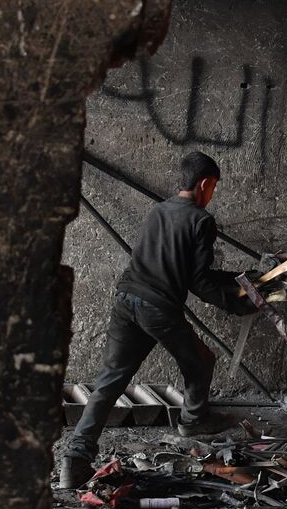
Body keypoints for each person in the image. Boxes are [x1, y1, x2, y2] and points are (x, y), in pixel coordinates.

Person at [59, 152, 251, 489]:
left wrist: (242, 279)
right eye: (214, 188)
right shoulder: (201, 220)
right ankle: (192, 419)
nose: (212, 194)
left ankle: (75, 460)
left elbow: (192, 272)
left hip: (126, 299)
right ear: (205, 184)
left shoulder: (159, 210)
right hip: (157, 308)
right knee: (201, 360)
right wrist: (237, 304)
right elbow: (200, 281)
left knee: (109, 381)